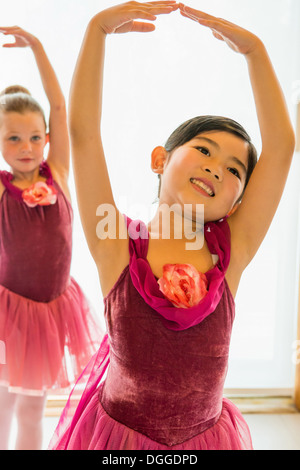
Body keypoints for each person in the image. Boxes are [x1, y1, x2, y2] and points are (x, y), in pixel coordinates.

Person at [49, 2, 295, 450]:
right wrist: (96, 30)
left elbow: (281, 148)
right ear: (160, 159)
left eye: (235, 169)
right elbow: (83, 133)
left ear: (239, 201)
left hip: (205, 440)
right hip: (117, 440)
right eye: (204, 150)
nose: (218, 168)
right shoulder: (116, 244)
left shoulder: (232, 251)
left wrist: (256, 52)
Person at [0, 27, 101, 450]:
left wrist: (38, 48)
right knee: (3, 403)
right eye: (13, 138)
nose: (27, 147)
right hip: (8, 314)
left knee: (32, 409)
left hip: (51, 314)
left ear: (47, 138)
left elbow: (59, 106)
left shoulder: (57, 172)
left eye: (35, 136)